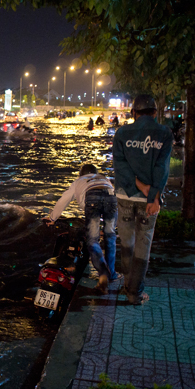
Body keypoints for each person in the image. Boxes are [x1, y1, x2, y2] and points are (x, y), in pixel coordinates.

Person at [113, 94, 173, 305]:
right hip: (150, 199)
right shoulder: (164, 133)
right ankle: (134, 293)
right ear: (155, 113)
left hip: (125, 195)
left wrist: (139, 185)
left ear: (133, 113)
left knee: (127, 244)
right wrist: (153, 194)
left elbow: (119, 166)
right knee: (142, 246)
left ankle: (128, 286)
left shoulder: (122, 133)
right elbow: (162, 168)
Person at [45, 164, 120, 293]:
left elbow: (65, 200)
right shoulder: (104, 178)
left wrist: (52, 218)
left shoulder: (79, 181)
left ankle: (102, 274)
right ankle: (111, 274)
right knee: (110, 236)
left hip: (92, 198)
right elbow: (114, 199)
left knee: (92, 240)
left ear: (81, 174)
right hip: (110, 197)